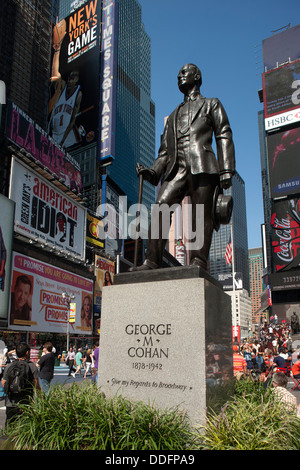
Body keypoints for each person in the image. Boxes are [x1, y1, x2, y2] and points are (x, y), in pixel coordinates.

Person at [130, 63, 235, 272]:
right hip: (176, 169)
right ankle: (152, 260)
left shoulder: (211, 104)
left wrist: (226, 169)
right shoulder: (173, 115)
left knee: (200, 214)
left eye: (184, 72)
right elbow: (164, 153)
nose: (179, 75)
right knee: (161, 205)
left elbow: (223, 133)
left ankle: (198, 261)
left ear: (197, 76)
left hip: (202, 166)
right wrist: (152, 172)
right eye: (178, 73)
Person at [1, 342, 40, 426]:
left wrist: (11, 390)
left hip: (10, 401)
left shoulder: (10, 366)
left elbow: (3, 382)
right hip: (25, 401)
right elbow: (36, 384)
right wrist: (40, 396)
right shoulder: (31, 366)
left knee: (10, 426)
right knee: (23, 426)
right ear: (27, 353)